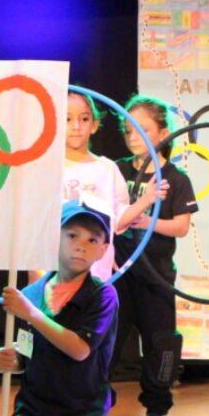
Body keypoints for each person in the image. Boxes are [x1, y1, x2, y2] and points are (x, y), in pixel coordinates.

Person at [0, 199, 120, 416]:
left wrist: (31, 313)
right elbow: (27, 351)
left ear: (103, 249)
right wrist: (13, 361)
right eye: (72, 235)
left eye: (92, 240)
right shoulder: (31, 294)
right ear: (55, 238)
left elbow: (80, 349)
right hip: (33, 413)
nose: (81, 247)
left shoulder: (102, 295)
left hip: (82, 415)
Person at [113, 94, 197, 416]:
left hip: (157, 276)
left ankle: (156, 412)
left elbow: (180, 226)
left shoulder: (175, 178)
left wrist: (147, 220)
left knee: (161, 345)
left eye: (142, 129)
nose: (133, 136)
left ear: (162, 133)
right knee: (108, 345)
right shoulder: (116, 170)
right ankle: (97, 411)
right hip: (118, 274)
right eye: (128, 129)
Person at [63, 89, 131, 282]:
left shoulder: (107, 169)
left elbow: (118, 219)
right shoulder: (48, 167)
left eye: (84, 119)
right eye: (67, 119)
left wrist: (146, 201)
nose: (76, 126)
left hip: (96, 273)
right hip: (53, 271)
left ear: (94, 125)